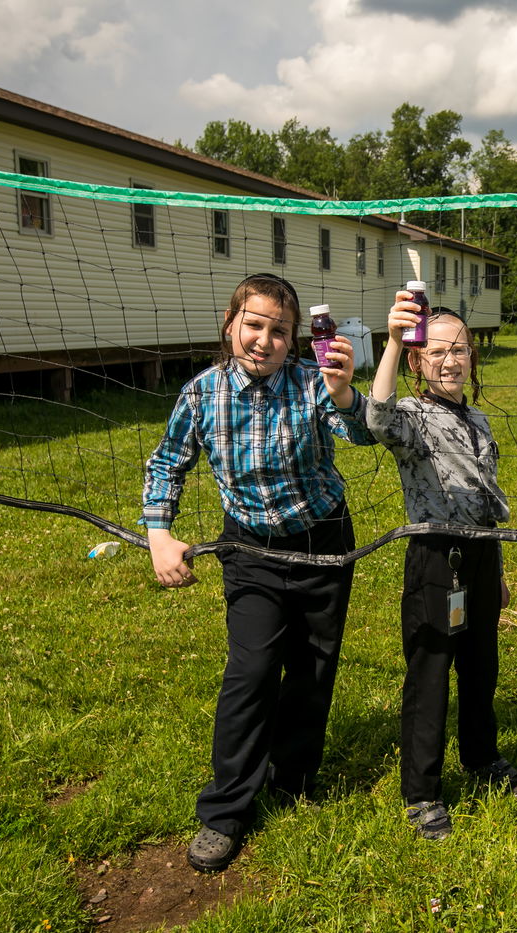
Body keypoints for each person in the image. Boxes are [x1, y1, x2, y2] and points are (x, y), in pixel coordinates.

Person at [143, 273, 375, 873]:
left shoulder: (313, 384)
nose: (264, 340)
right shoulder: (202, 393)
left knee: (313, 666)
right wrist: (159, 534)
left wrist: (346, 393)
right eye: (254, 325)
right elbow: (168, 461)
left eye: (279, 331)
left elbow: (361, 434)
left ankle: (293, 777)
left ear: (295, 340)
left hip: (324, 540)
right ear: (230, 325)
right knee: (250, 673)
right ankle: (225, 811)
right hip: (249, 549)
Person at [367, 298, 517, 841]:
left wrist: (500, 571)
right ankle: (421, 792)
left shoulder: (480, 420)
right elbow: (377, 418)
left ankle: (482, 760)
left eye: (458, 348)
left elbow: (488, 499)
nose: (449, 359)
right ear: (418, 362)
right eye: (435, 351)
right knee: (432, 672)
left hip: (482, 556)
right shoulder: (412, 418)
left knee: (481, 665)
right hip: (436, 557)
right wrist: (393, 342)